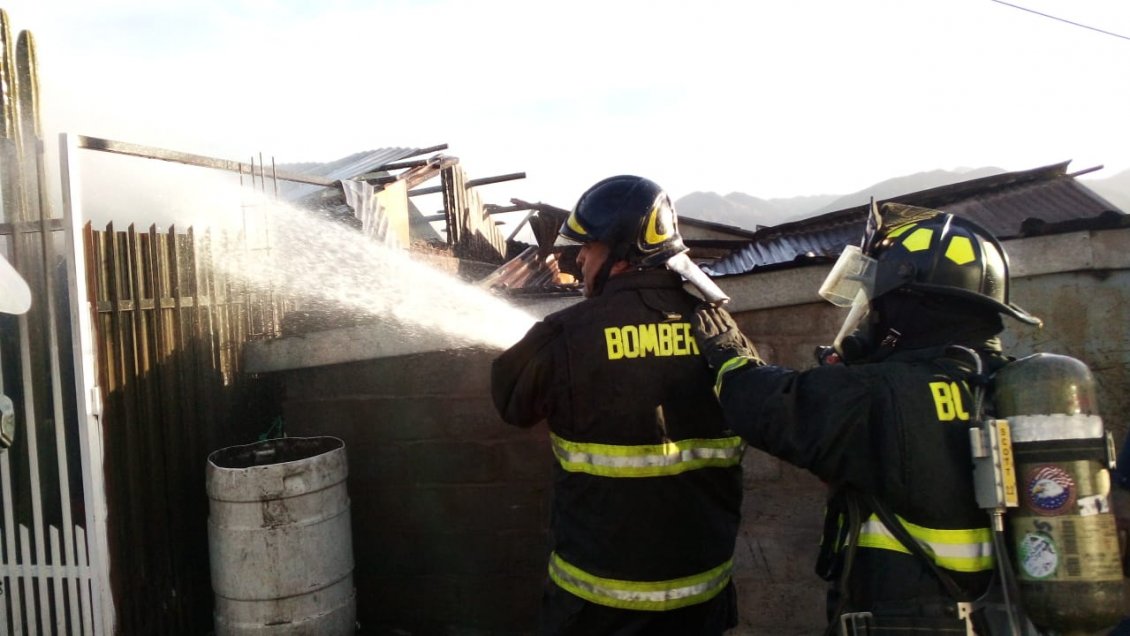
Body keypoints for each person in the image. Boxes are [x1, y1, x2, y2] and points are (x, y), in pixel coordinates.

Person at [693, 203, 1043, 635]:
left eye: (877, 304)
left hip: (913, 623)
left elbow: (772, 406)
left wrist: (731, 357)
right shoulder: (1011, 384)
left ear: (908, 307)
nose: (870, 317)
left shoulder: (880, 393)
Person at [491, 175, 745, 635]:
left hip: (598, 607)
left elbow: (511, 402)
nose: (580, 260)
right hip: (700, 602)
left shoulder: (566, 334)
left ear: (622, 254)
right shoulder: (720, 332)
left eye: (588, 248)